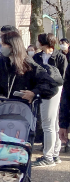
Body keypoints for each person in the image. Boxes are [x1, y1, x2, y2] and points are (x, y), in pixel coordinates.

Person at [0, 31, 54, 102]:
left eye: (4, 44)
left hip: (24, 108)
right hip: (4, 107)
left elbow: (49, 84)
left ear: (13, 46)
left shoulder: (28, 64)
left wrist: (34, 93)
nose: (1, 46)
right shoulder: (1, 62)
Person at [32, 33, 67, 167]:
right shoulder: (37, 56)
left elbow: (62, 77)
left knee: (48, 123)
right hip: (42, 90)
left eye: (39, 41)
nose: (37, 44)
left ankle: (48, 156)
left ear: (44, 42)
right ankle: (54, 154)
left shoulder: (60, 57)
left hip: (54, 91)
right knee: (53, 123)